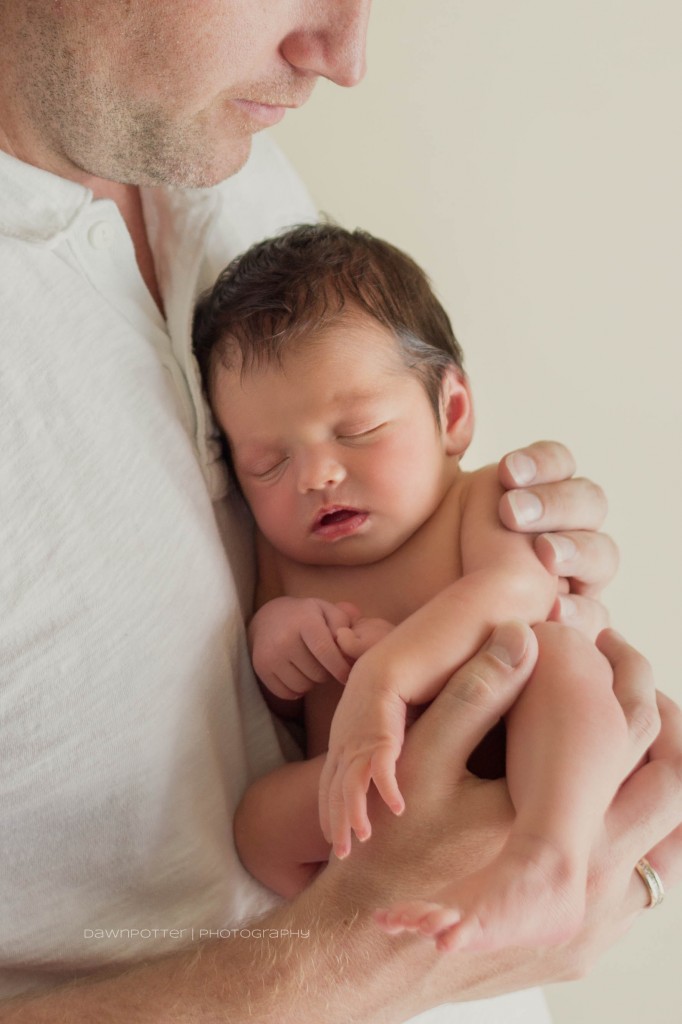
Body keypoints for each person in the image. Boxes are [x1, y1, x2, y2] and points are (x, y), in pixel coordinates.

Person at [0, 3, 679, 1022]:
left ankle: (545, 851)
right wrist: (340, 966)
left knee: (562, 672)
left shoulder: (218, 147)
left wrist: (615, 864)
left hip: (481, 822)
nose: (343, 58)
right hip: (368, 824)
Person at [193, 222, 639, 952]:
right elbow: (279, 684)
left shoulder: (480, 500)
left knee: (562, 659)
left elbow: (517, 592)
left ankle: (545, 862)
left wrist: (385, 674)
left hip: (516, 749)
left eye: (358, 429)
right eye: (267, 465)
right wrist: (281, 643)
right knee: (255, 821)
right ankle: (369, 916)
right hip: (378, 793)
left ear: (452, 413)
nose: (316, 477)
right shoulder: (288, 559)